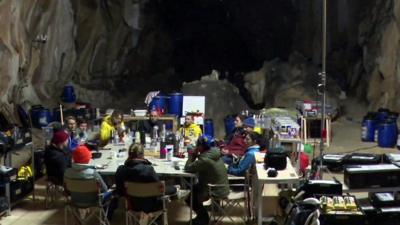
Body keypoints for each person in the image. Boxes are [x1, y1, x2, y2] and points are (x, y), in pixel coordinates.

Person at [115, 144, 177, 214]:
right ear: (141, 155)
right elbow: (159, 188)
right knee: (173, 188)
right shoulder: (148, 169)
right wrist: (174, 188)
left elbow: (119, 191)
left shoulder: (121, 170)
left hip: (132, 205)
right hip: (152, 206)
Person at [184, 135, 229, 225]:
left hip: (214, 189)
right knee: (193, 190)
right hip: (220, 186)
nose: (196, 146)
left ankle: (203, 219)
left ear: (200, 146)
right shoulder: (213, 153)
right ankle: (201, 217)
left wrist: (193, 155)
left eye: (197, 144)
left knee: (190, 198)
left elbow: (188, 168)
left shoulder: (205, 159)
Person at [64, 145, 116, 220]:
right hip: (94, 201)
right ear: (87, 159)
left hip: (74, 200)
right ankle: (107, 218)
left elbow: (66, 190)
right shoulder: (93, 173)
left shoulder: (67, 173)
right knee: (113, 190)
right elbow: (105, 189)